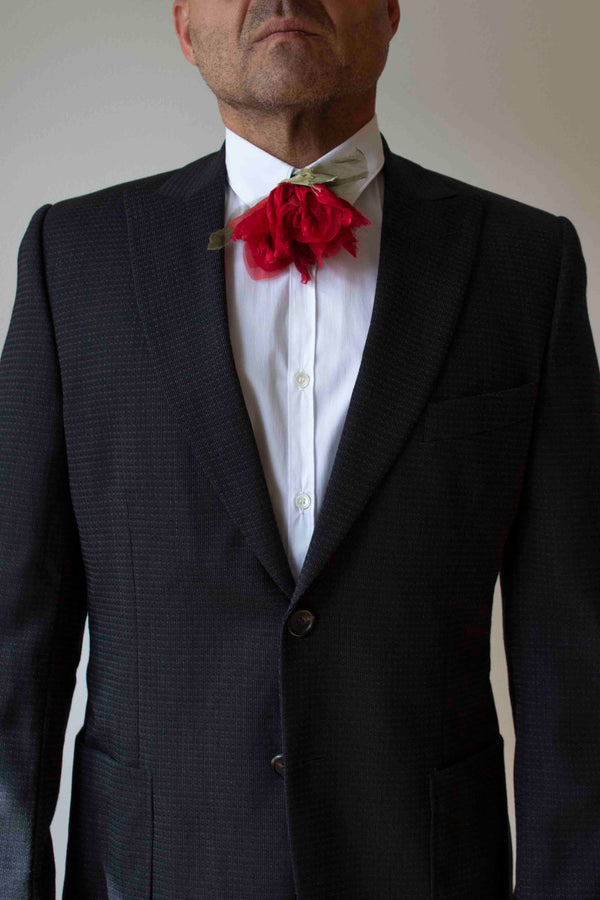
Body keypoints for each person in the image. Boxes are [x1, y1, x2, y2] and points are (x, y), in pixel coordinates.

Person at [1, 1, 598, 897]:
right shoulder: (71, 259)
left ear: (391, 13)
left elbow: (573, 654)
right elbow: (16, 635)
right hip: (154, 873)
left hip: (426, 869)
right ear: (183, 25)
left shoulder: (526, 264)